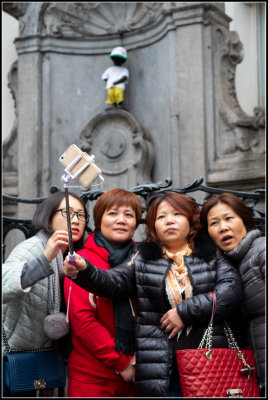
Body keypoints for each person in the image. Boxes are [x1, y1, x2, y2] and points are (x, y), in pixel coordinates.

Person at [63, 191, 245, 397]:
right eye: (161, 216)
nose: (169, 221)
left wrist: (184, 313)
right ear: (153, 225)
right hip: (161, 371)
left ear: (190, 219)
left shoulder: (212, 254)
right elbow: (112, 282)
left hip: (211, 367)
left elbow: (230, 290)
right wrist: (85, 269)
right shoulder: (142, 258)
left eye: (177, 214)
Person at [2, 191, 88, 397]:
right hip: (17, 355)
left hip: (43, 357)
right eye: (67, 213)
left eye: (81, 215)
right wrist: (44, 258)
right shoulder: (33, 247)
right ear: (49, 217)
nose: (75, 220)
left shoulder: (74, 254)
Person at [63, 189, 141, 397]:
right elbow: (83, 322)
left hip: (135, 377)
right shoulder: (80, 261)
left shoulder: (140, 260)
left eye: (129, 215)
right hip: (92, 378)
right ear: (99, 220)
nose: (121, 220)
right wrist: (122, 362)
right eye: (113, 213)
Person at [200, 192, 265, 397]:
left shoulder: (262, 251)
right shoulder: (232, 263)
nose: (223, 227)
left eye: (229, 218)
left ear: (245, 220)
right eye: (214, 223)